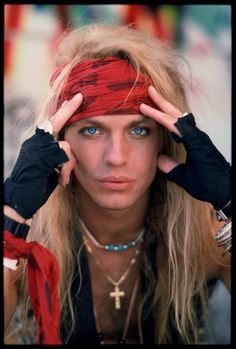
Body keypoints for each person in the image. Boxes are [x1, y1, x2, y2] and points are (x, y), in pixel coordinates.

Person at [3, 23, 231, 345]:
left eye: (139, 130)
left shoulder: (206, 232)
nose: (116, 157)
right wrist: (12, 219)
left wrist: (230, 203)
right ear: (60, 140)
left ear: (165, 140)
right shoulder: (26, 240)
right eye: (92, 130)